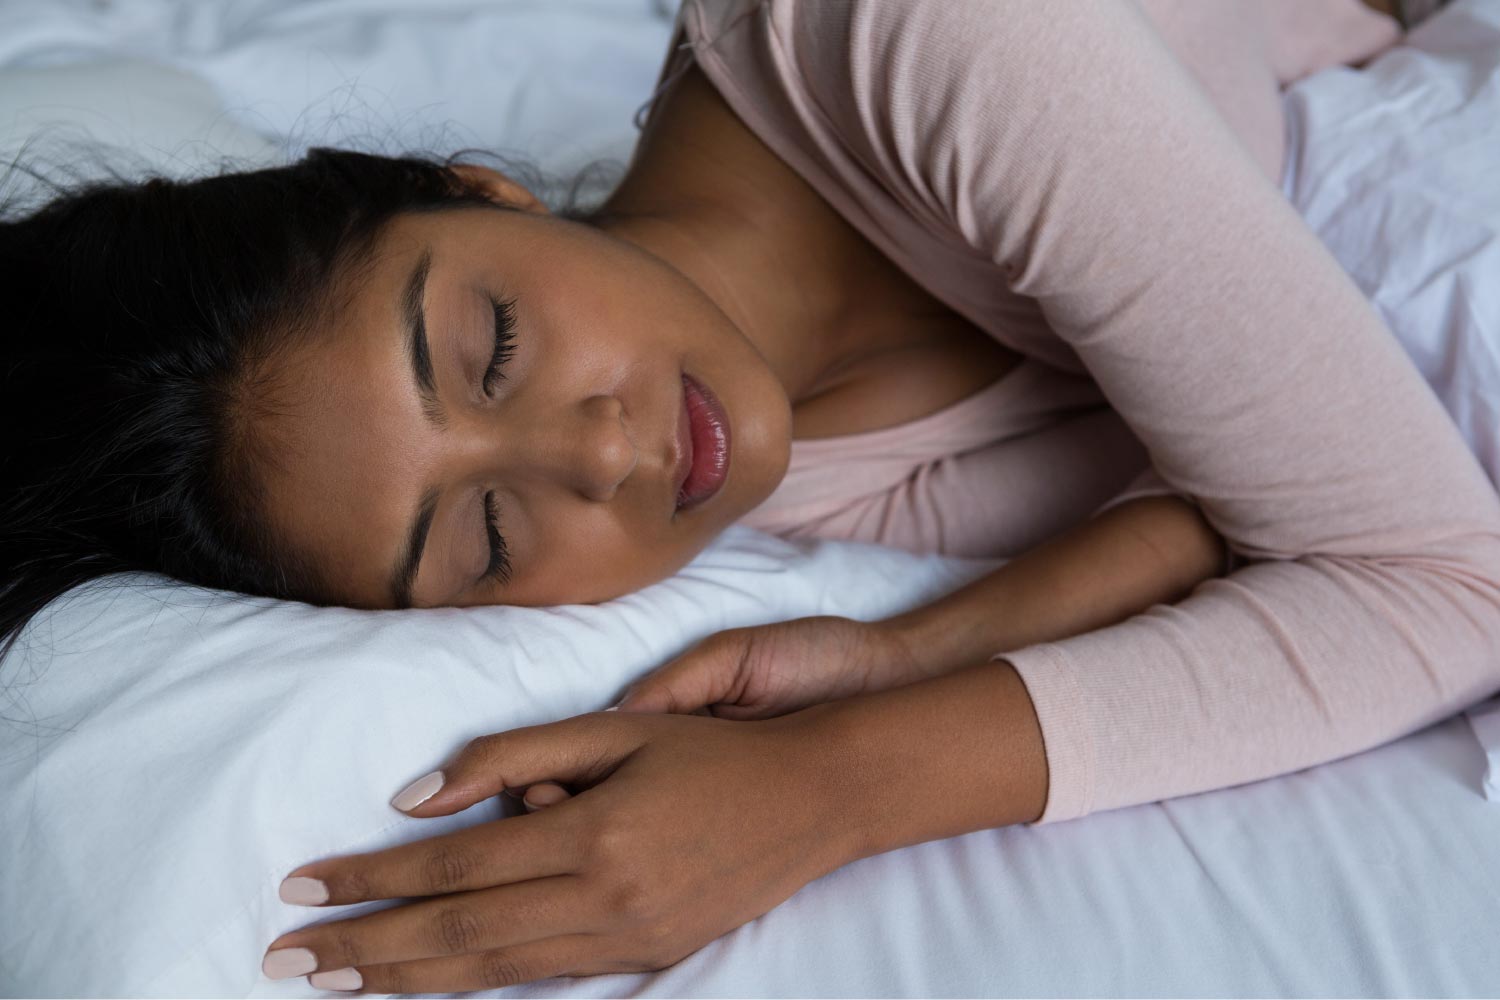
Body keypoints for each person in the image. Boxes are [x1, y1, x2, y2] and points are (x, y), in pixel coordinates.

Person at [1, 0, 1494, 993]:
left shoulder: (937, 42)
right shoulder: (772, 480)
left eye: (493, 347)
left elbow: (1441, 579)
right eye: (488, 537)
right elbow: (1221, 505)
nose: (596, 460)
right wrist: (906, 648)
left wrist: (832, 786)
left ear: (480, 187)